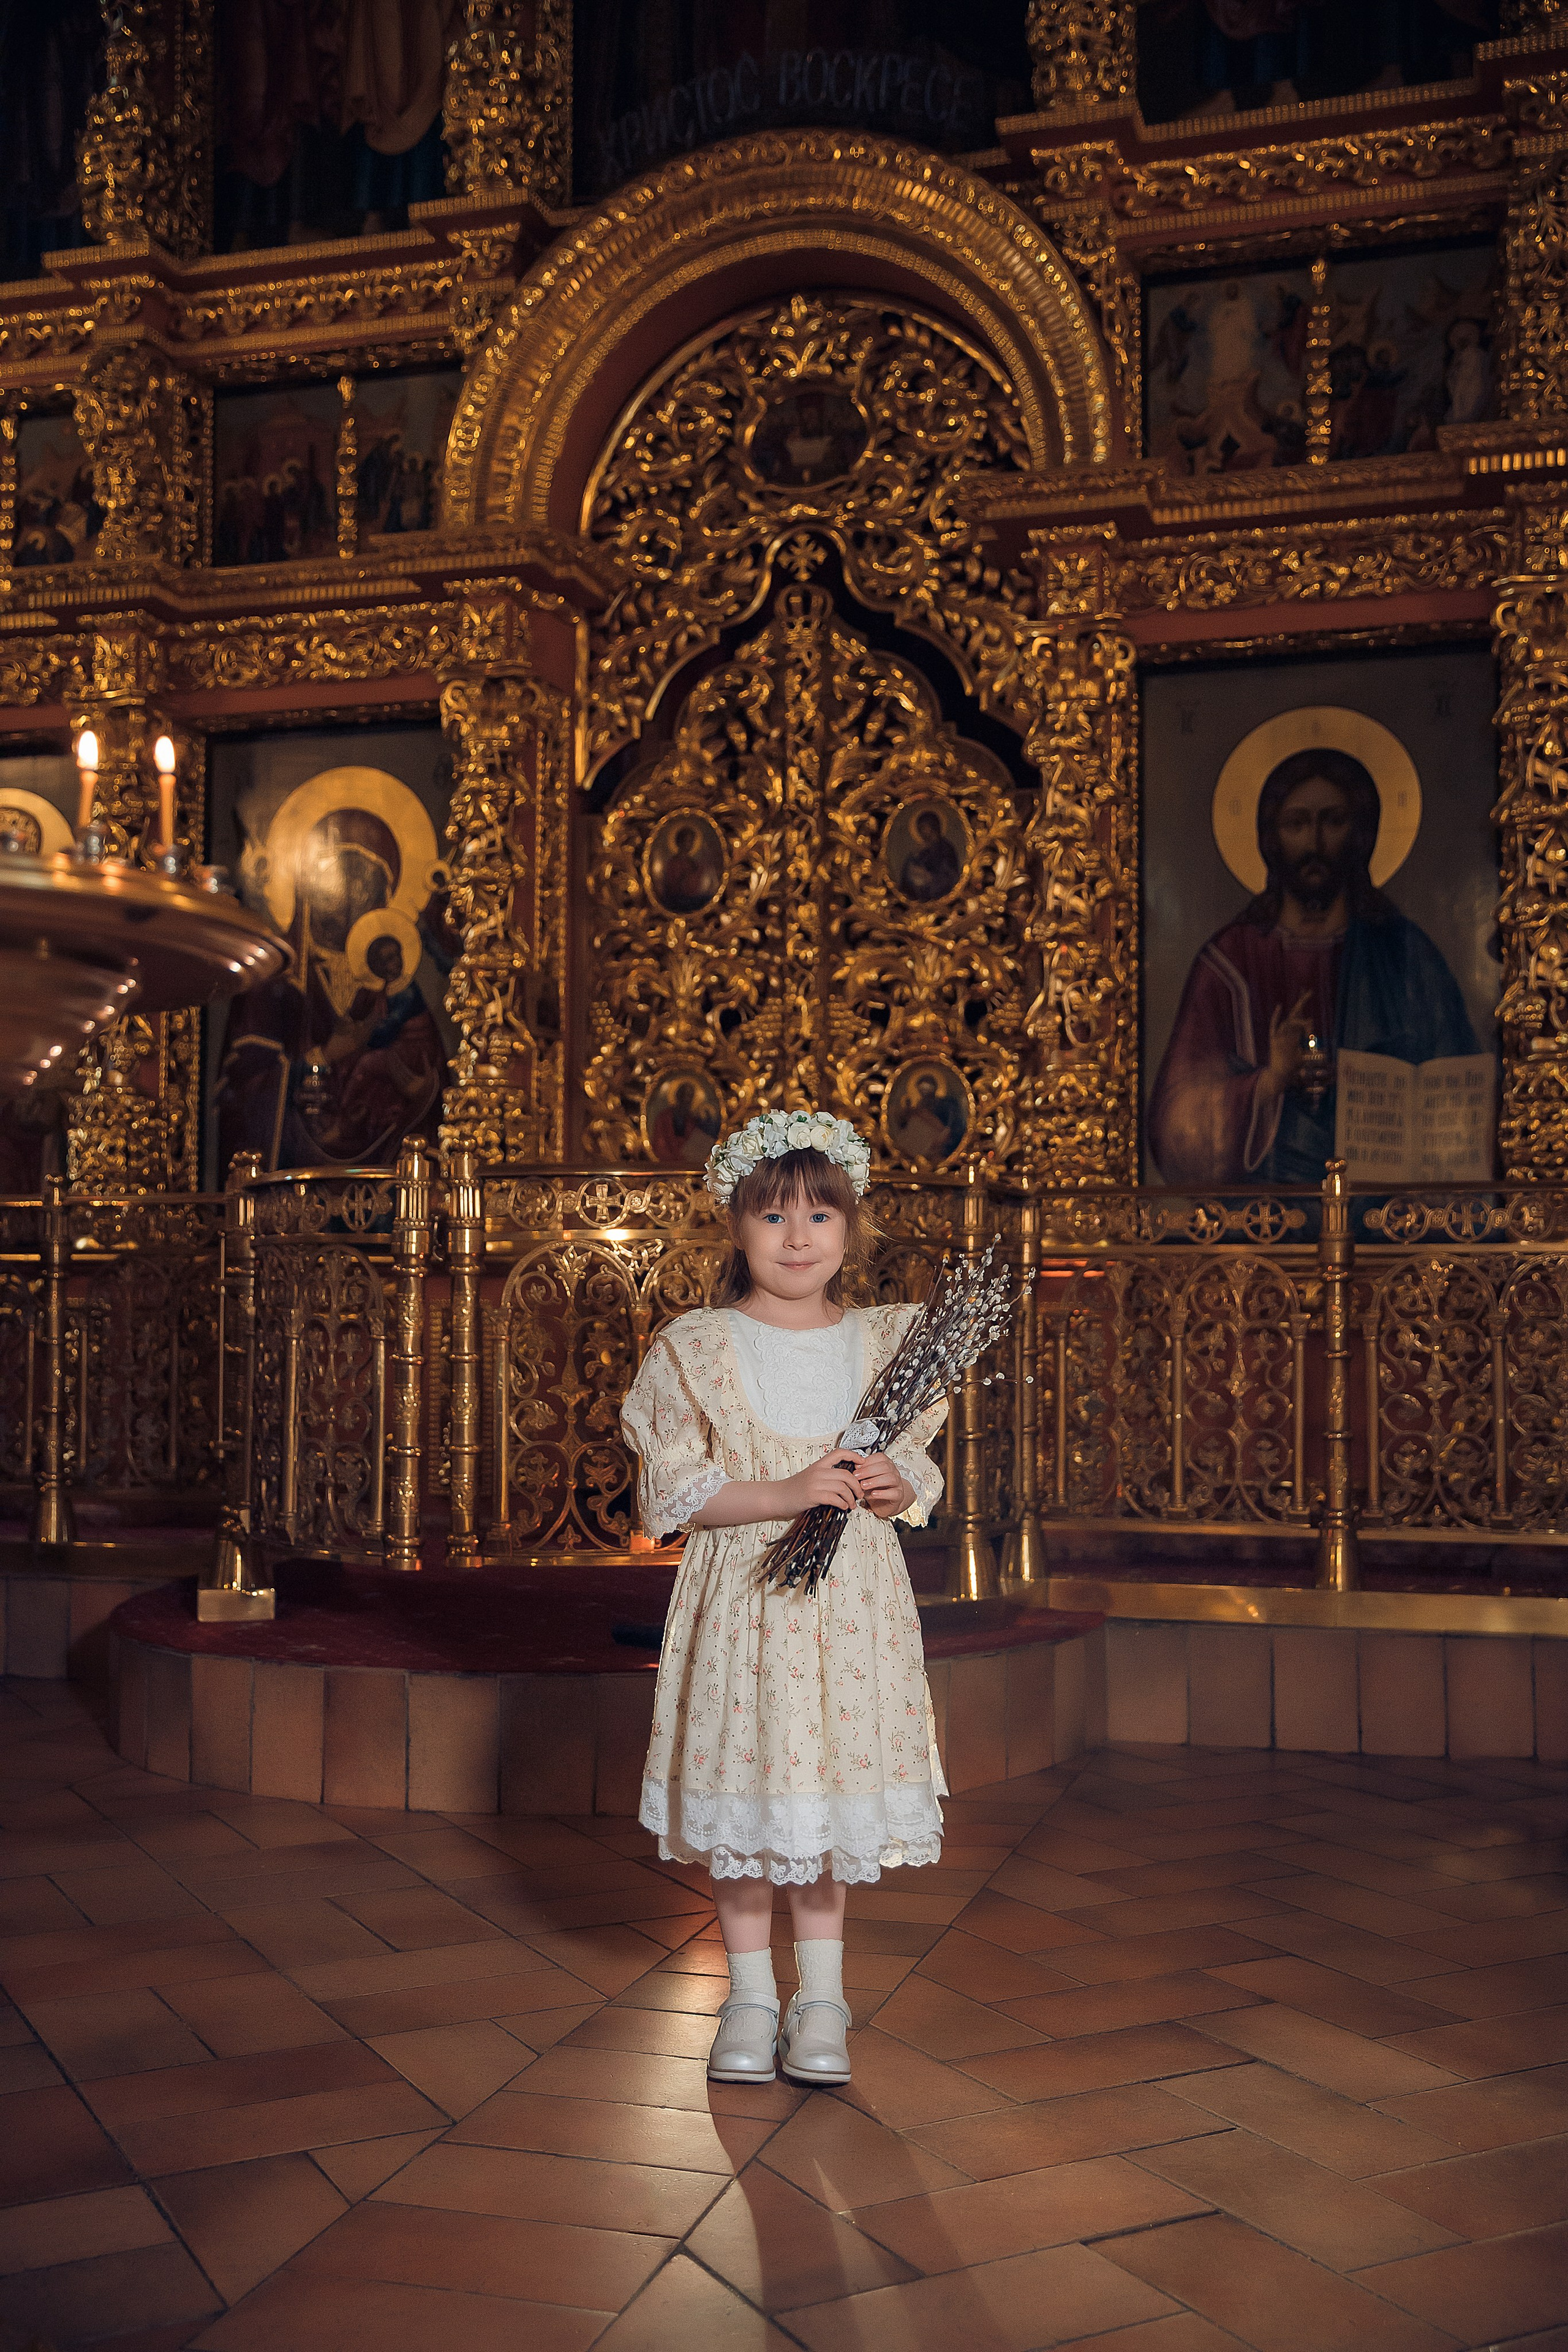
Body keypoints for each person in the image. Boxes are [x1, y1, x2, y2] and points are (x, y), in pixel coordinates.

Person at [622, 1110, 946, 2089]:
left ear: (852, 1228)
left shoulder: (887, 1343)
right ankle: (751, 1995)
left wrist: (896, 1486)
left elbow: (917, 1468)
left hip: (850, 1611)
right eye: (773, 1216)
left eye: (819, 1213)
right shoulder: (700, 1347)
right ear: (735, 1226)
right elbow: (675, 1493)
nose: (798, 1235)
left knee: (822, 1804)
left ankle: (824, 2003)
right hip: (745, 1605)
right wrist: (787, 1493)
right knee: (751, 1797)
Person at [1149, 745, 1478, 1185]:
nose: (1315, 843)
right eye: (1296, 824)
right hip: (1260, 1225)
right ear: (1271, 837)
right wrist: (1269, 1083)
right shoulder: (1230, 963)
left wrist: (1373, 1084)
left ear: (1361, 833)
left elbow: (1460, 1096)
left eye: (1334, 821)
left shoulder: (1405, 955)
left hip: (1383, 1216)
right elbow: (1176, 1125)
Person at [897, 808, 962, 902]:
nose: (920, 831)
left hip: (941, 896)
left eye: (923, 827)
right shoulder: (921, 851)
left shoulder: (945, 849)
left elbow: (951, 876)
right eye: (919, 828)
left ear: (933, 826)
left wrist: (930, 878)